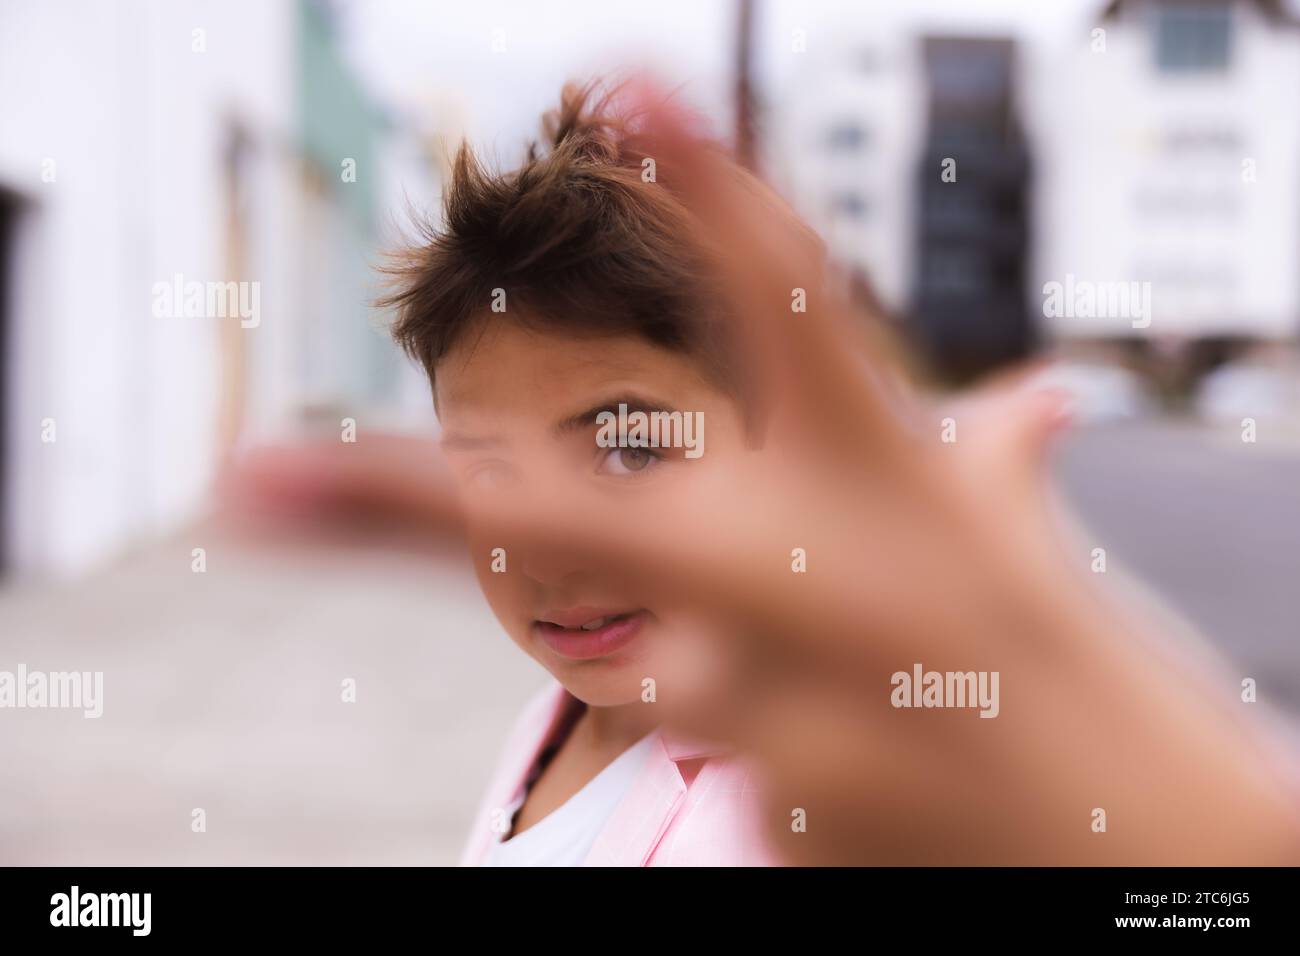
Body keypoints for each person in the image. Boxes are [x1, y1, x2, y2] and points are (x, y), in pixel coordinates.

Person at [228, 79, 1300, 866]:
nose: (545, 541)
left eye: (627, 442)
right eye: (488, 469)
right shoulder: (556, 715)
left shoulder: (798, 806)